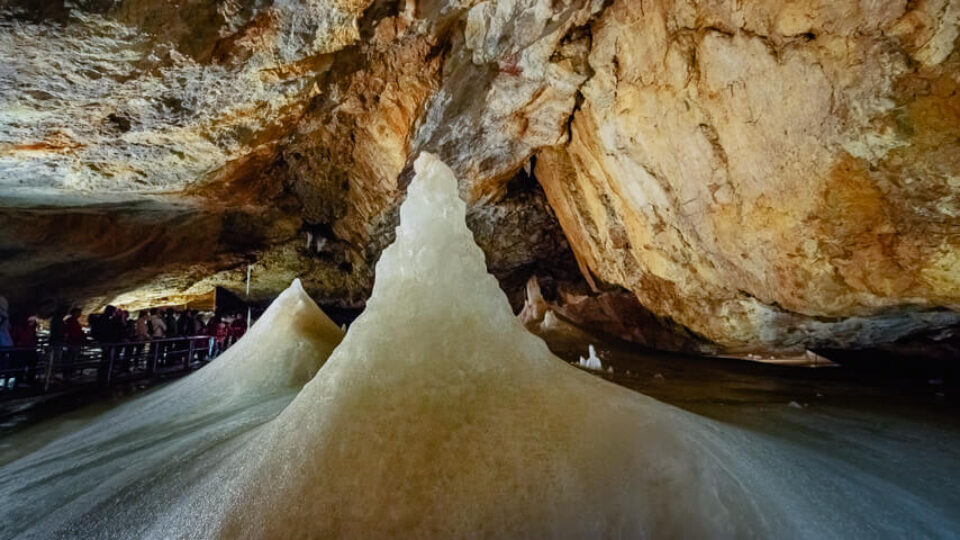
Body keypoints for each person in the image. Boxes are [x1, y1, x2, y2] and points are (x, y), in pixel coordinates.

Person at [63, 308, 86, 380]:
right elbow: (74, 332)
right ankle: (68, 374)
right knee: (70, 359)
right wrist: (82, 337)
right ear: (74, 313)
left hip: (74, 342)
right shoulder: (71, 321)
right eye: (78, 313)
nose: (80, 314)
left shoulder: (72, 321)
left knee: (71, 359)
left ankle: (70, 373)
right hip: (72, 343)